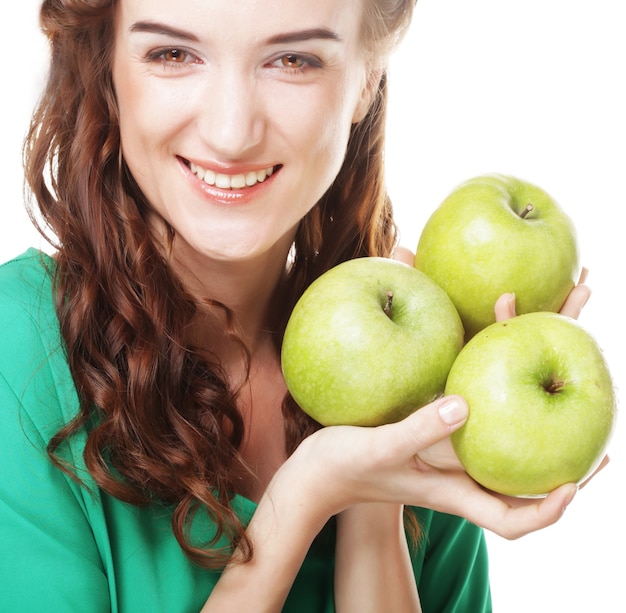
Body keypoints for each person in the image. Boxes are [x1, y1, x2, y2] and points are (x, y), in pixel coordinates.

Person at [0, 0, 601, 611]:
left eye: (293, 59)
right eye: (172, 54)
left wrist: (376, 493)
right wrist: (304, 499)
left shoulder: (431, 382)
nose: (231, 132)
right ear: (106, 68)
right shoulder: (18, 350)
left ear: (367, 78)